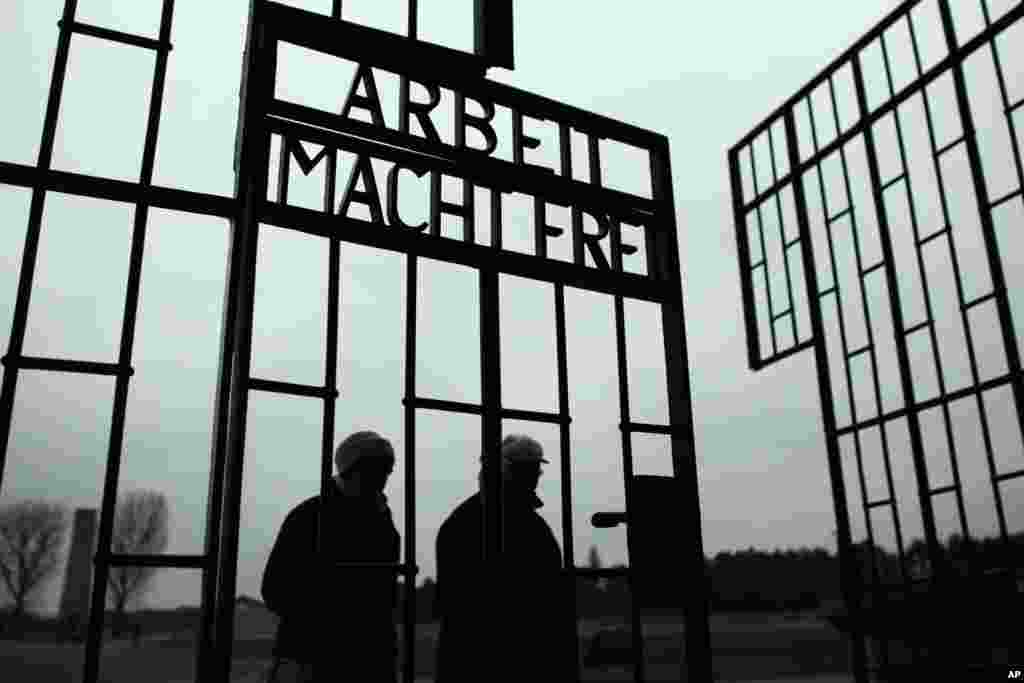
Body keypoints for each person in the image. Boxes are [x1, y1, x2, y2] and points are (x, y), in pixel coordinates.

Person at [261, 430, 400, 683]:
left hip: (360, 658)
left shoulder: (380, 521)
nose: (383, 479)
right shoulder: (310, 517)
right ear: (353, 470)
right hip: (314, 658)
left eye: (387, 470)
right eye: (377, 470)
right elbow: (275, 589)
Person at [434, 434, 573, 682]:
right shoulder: (494, 521)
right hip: (500, 654)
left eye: (535, 469)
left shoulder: (468, 518)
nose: (535, 476)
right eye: (528, 469)